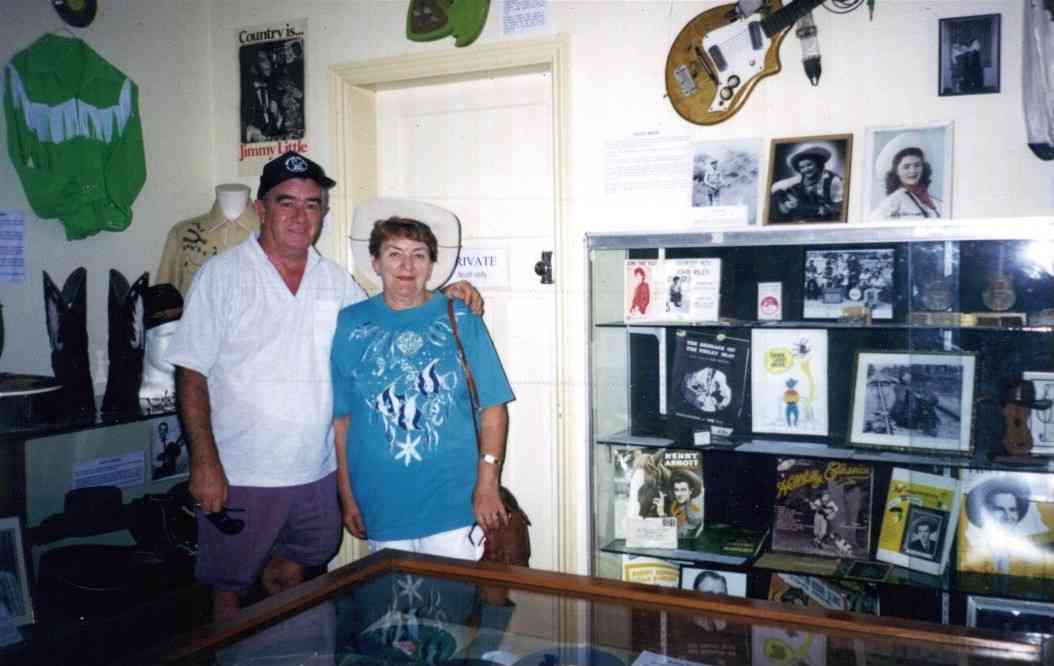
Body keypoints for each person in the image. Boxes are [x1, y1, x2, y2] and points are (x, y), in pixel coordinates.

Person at [166, 151, 483, 619]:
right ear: (262, 207)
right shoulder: (224, 276)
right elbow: (190, 372)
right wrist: (204, 461)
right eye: (287, 202)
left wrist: (449, 296)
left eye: (312, 205)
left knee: (296, 578)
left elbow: (390, 313)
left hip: (316, 472)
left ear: (324, 214)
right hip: (243, 472)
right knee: (228, 588)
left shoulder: (334, 282)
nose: (300, 216)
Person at [331, 214, 514, 560]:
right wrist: (347, 495)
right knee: (391, 610)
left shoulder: (460, 317)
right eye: (394, 254)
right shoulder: (350, 323)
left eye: (418, 255)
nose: (406, 265)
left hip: (453, 501)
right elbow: (342, 420)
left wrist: (487, 484)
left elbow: (493, 407)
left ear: (431, 265)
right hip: (380, 499)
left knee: (455, 606)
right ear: (375, 262)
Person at [961, 475, 1053, 576]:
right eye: (1000, 509)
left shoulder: (1028, 550)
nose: (1008, 516)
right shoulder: (973, 549)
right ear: (985, 512)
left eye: (1013, 509)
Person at [770, 145, 844, 222]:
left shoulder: (832, 180)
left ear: (818, 163)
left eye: (809, 165)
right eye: (802, 167)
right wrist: (786, 201)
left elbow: (839, 206)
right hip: (804, 215)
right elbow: (775, 187)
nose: (806, 169)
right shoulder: (801, 178)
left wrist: (824, 210)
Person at [870, 146, 942, 219]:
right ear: (897, 171)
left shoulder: (936, 202)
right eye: (906, 167)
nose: (913, 171)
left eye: (917, 165)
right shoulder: (894, 200)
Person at [665, 470, 704, 539]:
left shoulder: (694, 511)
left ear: (690, 491)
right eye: (676, 490)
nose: (679, 494)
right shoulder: (674, 506)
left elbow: (679, 534)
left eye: (683, 490)